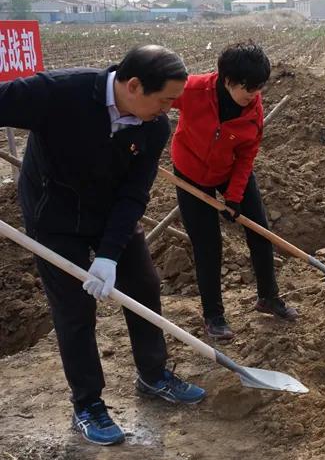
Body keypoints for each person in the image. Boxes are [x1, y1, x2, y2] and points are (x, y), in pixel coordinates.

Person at [0, 45, 206, 446]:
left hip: (112, 212)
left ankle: (153, 374)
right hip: (54, 216)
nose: (169, 109)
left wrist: (110, 254)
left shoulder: (153, 126)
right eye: (165, 99)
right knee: (75, 308)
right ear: (133, 86)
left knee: (143, 285)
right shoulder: (62, 93)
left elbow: (133, 194)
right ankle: (88, 404)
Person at [170, 41, 298, 341]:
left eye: (258, 90)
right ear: (227, 80)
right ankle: (213, 315)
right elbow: (156, 101)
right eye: (248, 90)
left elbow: (246, 156)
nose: (254, 96)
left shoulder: (253, 112)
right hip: (190, 172)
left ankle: (268, 297)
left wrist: (235, 197)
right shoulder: (191, 90)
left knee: (260, 231)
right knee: (207, 244)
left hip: (229, 169)